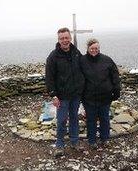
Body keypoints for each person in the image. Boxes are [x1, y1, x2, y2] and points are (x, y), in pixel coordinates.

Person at [45, 27, 85, 157]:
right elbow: (49, 77)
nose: (64, 40)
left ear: (70, 38)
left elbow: (83, 70)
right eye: (62, 38)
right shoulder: (53, 56)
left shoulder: (76, 53)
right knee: (62, 120)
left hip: (75, 95)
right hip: (62, 96)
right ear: (58, 40)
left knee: (74, 119)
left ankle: (74, 142)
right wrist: (53, 95)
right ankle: (60, 146)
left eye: (66, 37)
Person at [80, 38, 120, 149]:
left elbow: (115, 77)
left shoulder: (107, 60)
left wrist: (116, 91)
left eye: (96, 48)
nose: (94, 50)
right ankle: (92, 141)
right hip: (88, 97)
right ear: (87, 48)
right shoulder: (82, 61)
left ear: (99, 48)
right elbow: (78, 78)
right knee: (91, 120)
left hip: (105, 96)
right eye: (92, 48)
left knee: (104, 119)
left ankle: (105, 139)